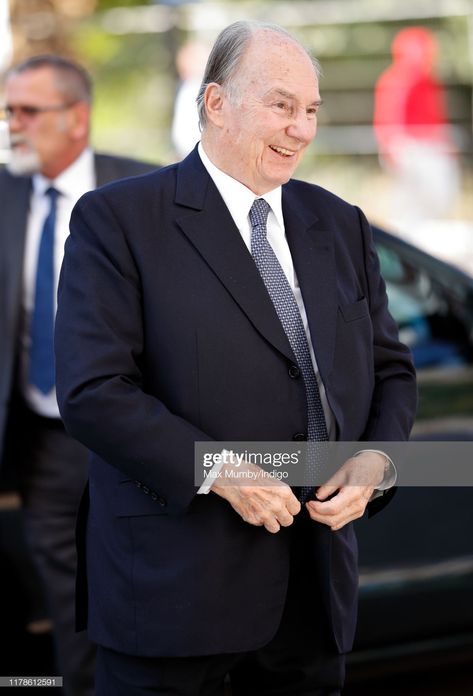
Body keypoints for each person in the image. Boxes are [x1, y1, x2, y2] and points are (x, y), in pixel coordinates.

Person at [55, 22, 417, 696]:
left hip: (312, 594)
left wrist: (376, 459)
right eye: (281, 105)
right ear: (216, 103)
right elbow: (94, 390)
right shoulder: (118, 219)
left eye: (311, 110)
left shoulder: (339, 222)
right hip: (173, 593)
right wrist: (216, 468)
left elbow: (390, 369)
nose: (301, 129)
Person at [0, 54, 157, 695]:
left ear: (77, 118)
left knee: (148, 589)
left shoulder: (148, 193)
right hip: (44, 437)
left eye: (28, 111)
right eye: (7, 111)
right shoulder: (5, 194)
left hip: (139, 437)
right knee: (69, 597)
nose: (13, 125)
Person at [373, 26, 460, 225]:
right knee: (411, 202)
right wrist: (392, 146)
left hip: (431, 148)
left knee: (438, 198)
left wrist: (446, 142)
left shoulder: (430, 81)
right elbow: (389, 117)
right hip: (411, 149)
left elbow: (436, 117)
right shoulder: (397, 80)